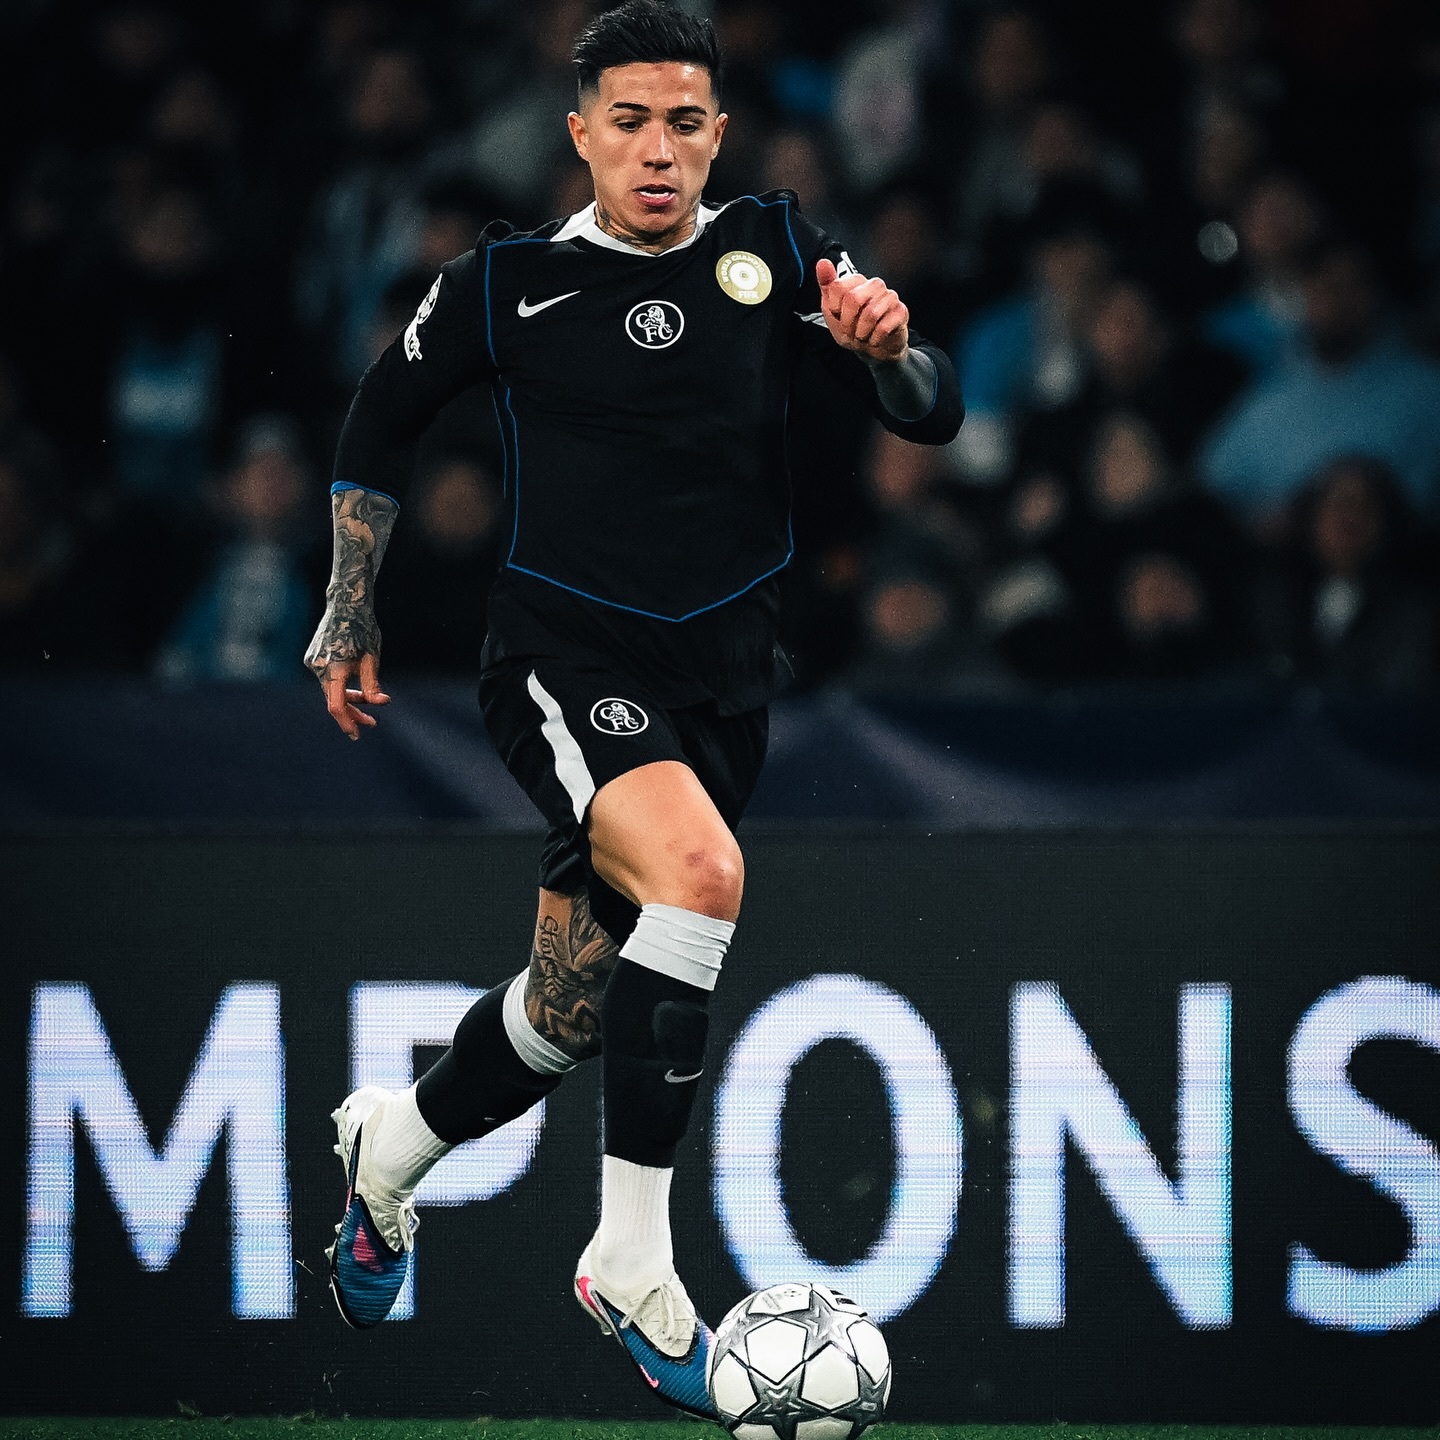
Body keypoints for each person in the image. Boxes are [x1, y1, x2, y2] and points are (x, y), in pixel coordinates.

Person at [301, 0, 963, 1419]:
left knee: (570, 1008)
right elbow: (380, 419)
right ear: (581, 135)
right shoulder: (505, 282)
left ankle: (392, 1148)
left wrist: (888, 350)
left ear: (718, 136)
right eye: (629, 123)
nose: (657, 150)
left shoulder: (776, 250)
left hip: (724, 677)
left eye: (683, 123)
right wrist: (351, 603)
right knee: (704, 877)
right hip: (560, 658)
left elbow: (931, 408)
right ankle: (632, 1260)